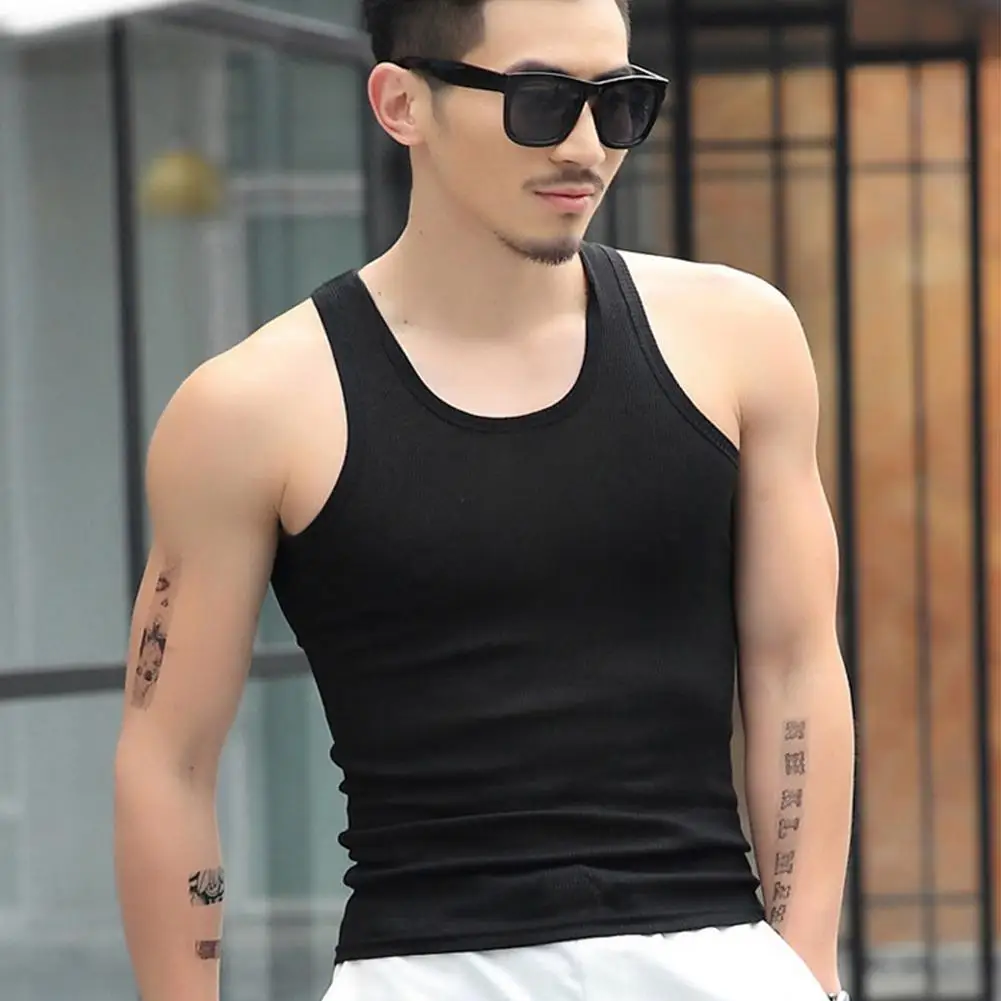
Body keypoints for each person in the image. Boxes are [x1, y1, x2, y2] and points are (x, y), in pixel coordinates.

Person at [113, 0, 856, 998]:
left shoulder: (738, 337)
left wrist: (803, 969)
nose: (586, 146)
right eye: (541, 100)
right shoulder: (251, 408)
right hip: (423, 968)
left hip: (719, 958)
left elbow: (794, 666)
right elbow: (168, 758)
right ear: (401, 104)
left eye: (619, 103)